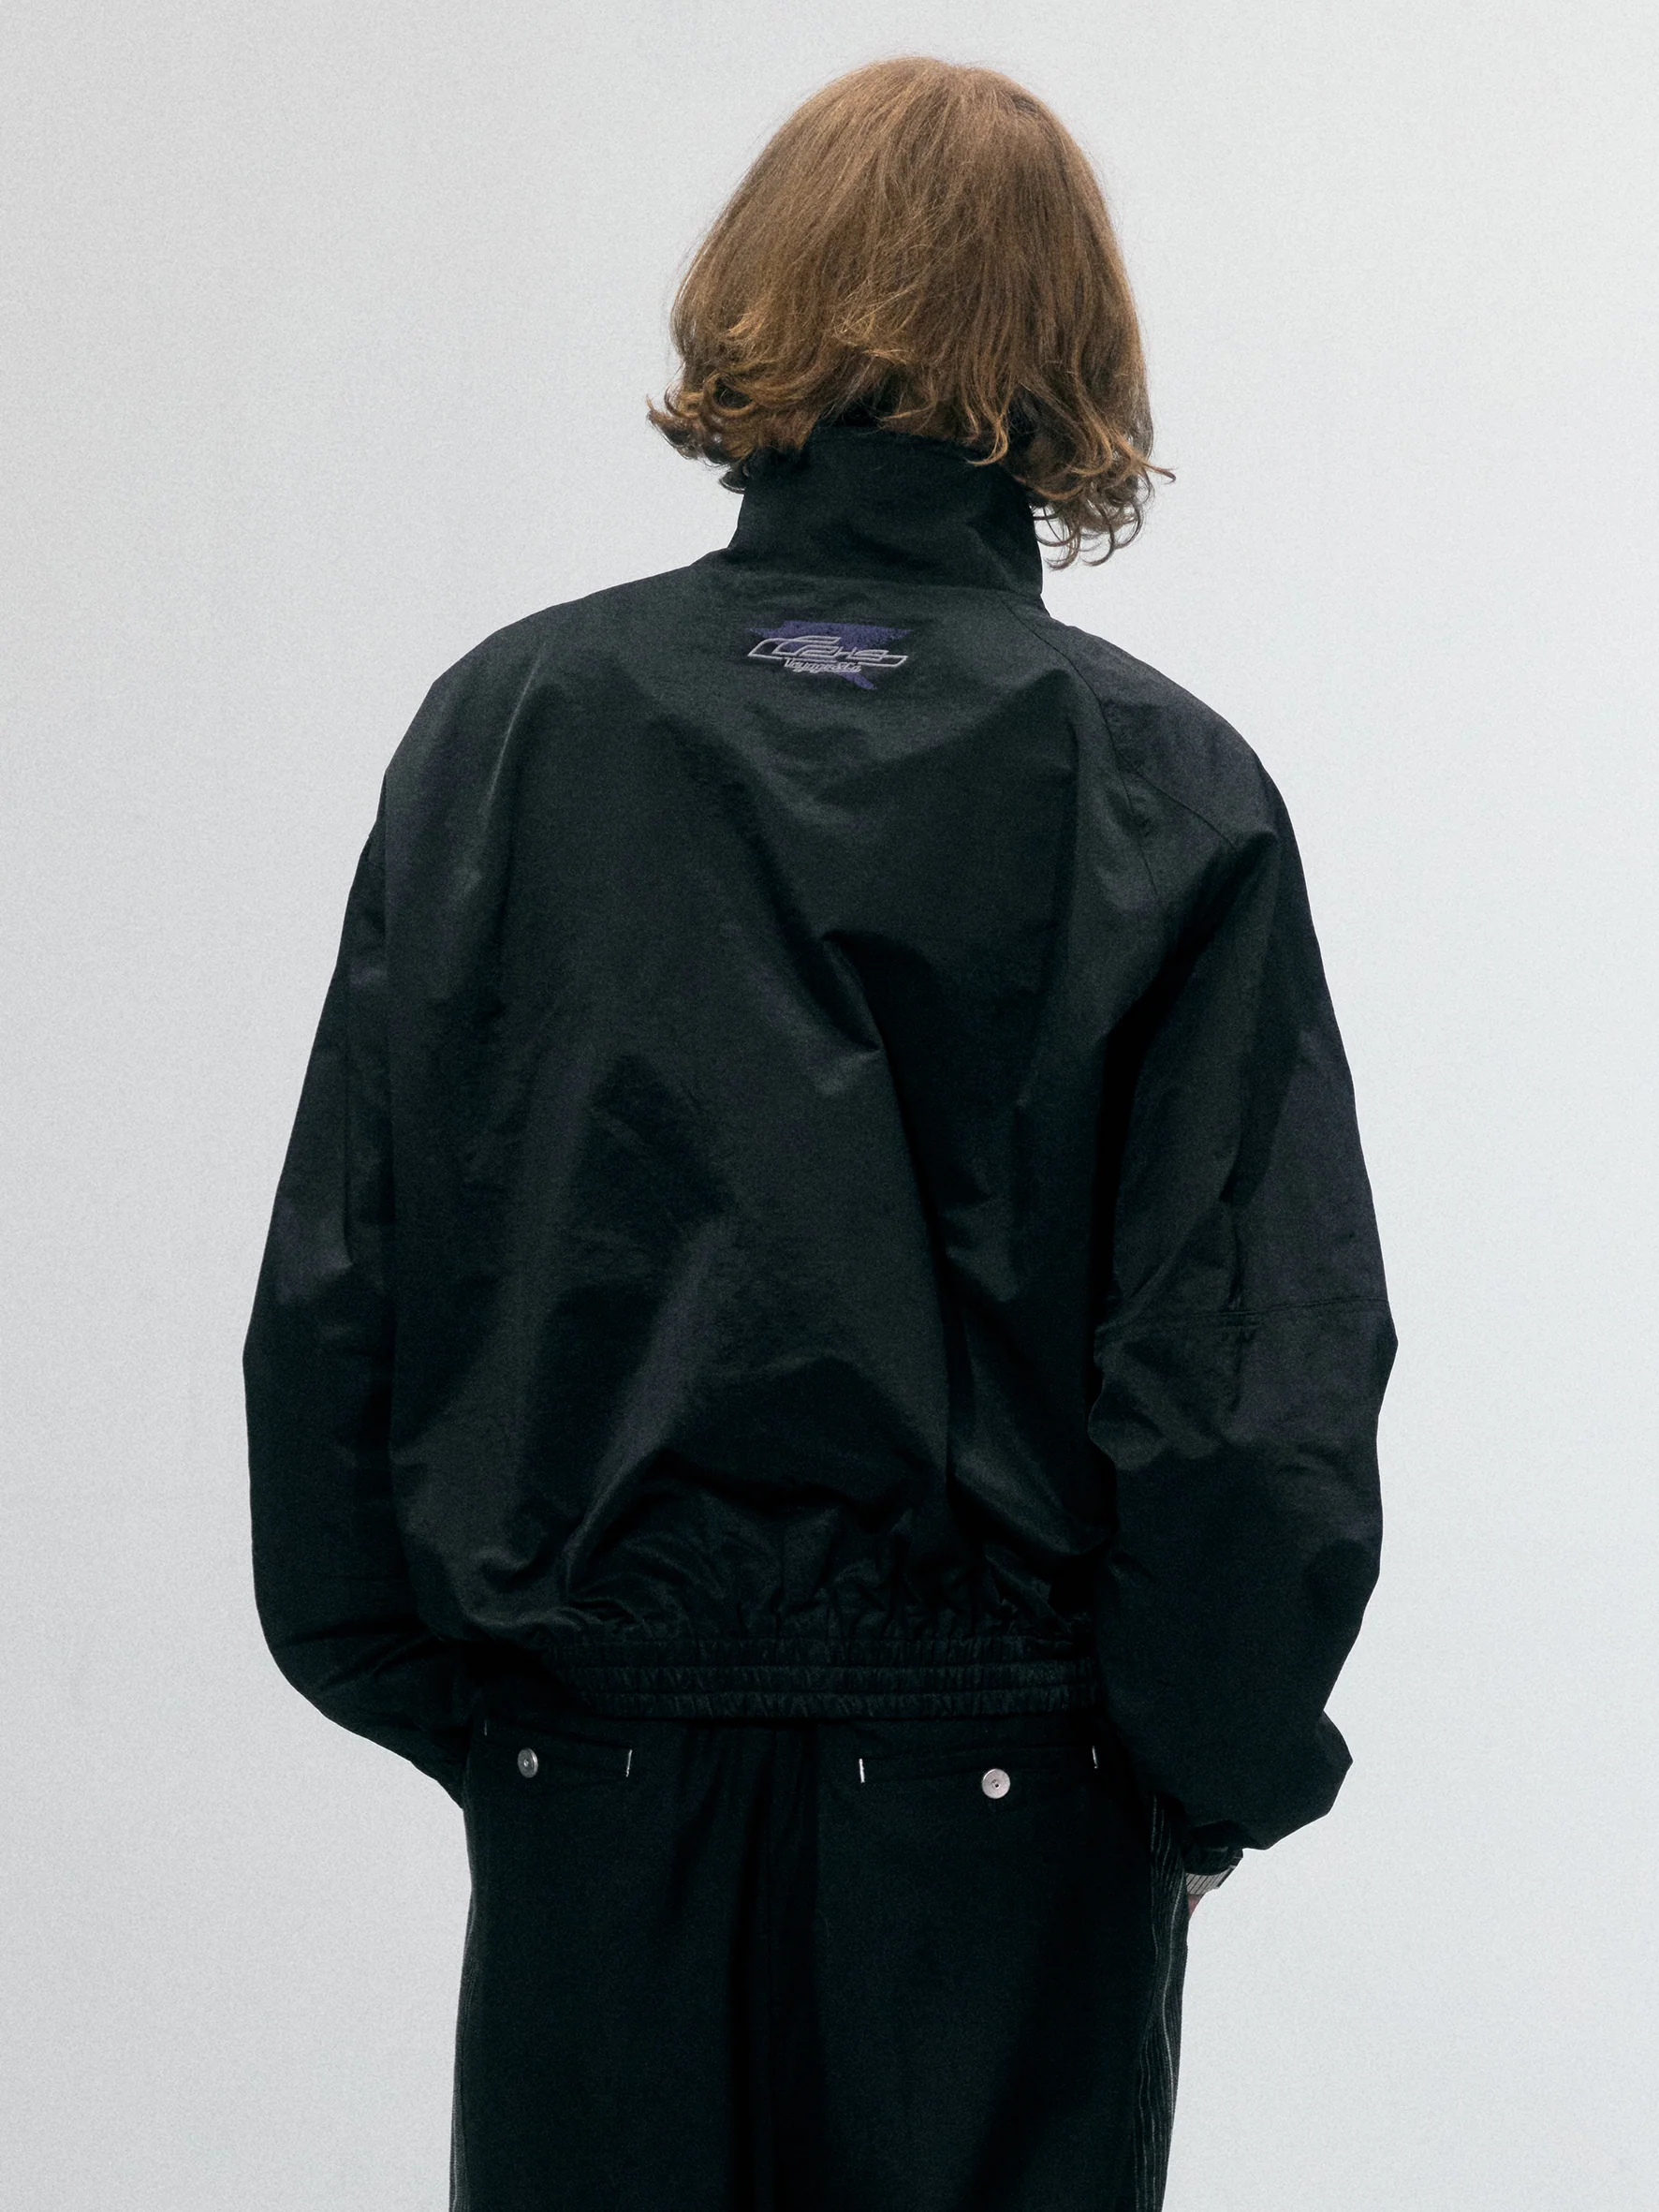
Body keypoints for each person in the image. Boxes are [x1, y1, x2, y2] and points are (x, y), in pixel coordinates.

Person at [243, 52, 1396, 2212]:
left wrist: (481, 1704)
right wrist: (1206, 1761)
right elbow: (1246, 1375)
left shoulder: (512, 730)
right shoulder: (1156, 786)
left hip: (590, 1777)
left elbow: (341, 1288)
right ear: (1075, 344)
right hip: (1008, 1803)